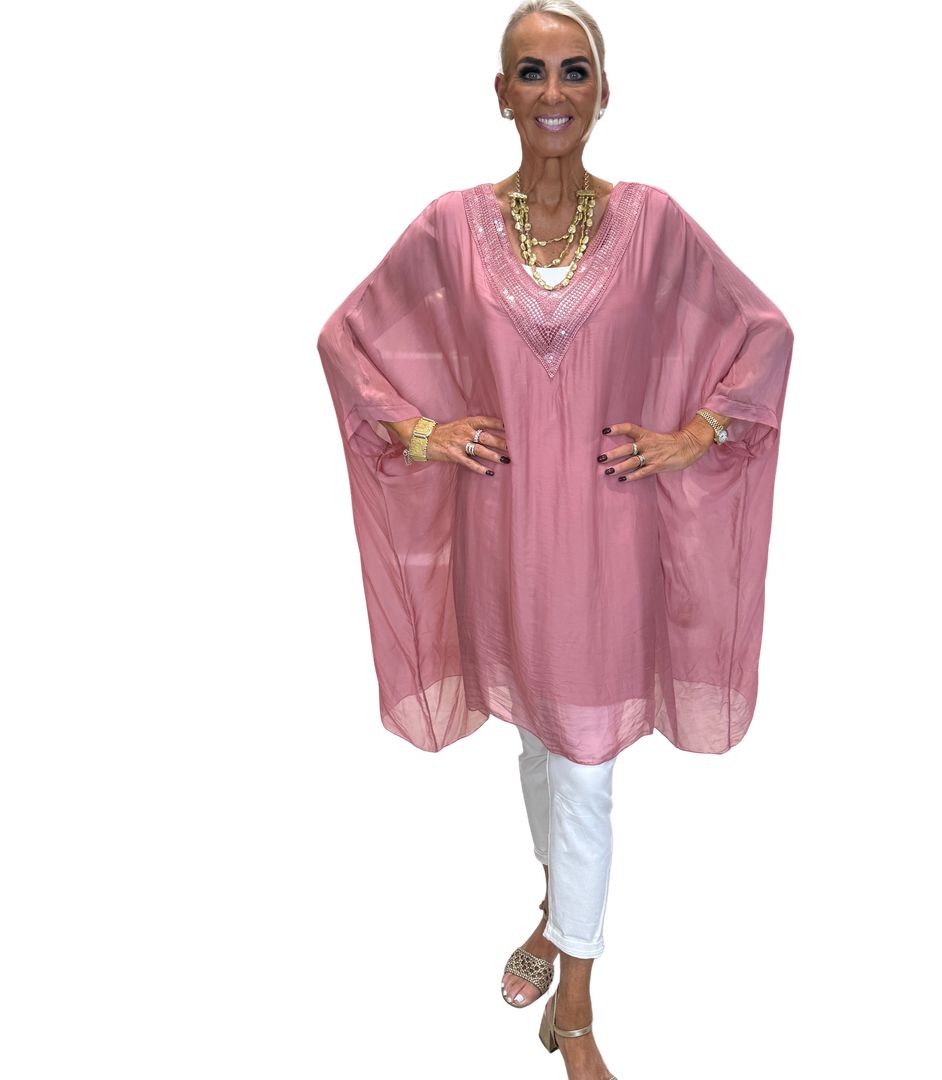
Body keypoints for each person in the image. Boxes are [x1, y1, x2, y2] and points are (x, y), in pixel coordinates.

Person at [316, 3, 794, 1076]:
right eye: (530, 73)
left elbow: (762, 332)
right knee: (537, 742)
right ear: (500, 95)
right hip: (501, 536)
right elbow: (347, 337)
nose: (553, 92)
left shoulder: (653, 223)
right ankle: (552, 908)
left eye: (575, 72)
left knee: (584, 765)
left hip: (609, 541)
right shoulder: (451, 226)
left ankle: (574, 1004)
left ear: (604, 92)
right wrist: (426, 432)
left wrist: (694, 435)